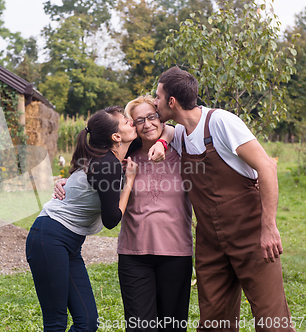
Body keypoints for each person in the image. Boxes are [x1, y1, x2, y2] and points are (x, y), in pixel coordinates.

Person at [153, 66, 295, 332]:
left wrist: (269, 227)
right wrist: (161, 144)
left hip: (251, 235)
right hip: (211, 242)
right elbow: (160, 133)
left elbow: (267, 167)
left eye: (158, 97)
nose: (154, 102)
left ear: (172, 102)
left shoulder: (220, 123)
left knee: (271, 319)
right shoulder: (181, 133)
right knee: (214, 322)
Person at [54, 97, 193, 332]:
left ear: (161, 118)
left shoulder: (183, 151)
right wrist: (66, 181)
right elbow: (93, 173)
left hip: (176, 253)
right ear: (132, 127)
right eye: (139, 120)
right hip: (134, 256)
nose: (147, 124)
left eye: (152, 117)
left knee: (173, 326)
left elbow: (178, 129)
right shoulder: (124, 159)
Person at [26, 105, 170, 332]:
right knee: (56, 323)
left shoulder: (109, 155)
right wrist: (130, 180)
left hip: (69, 244)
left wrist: (161, 142)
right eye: (126, 121)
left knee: (87, 322)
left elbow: (168, 130)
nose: (132, 122)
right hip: (50, 238)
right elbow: (112, 219)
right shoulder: (108, 164)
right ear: (116, 136)